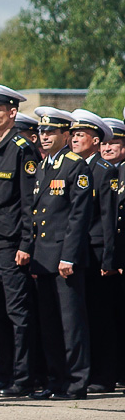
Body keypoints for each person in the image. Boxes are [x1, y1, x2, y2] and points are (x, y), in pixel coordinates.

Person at [26, 107, 93, 400]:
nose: (44, 137)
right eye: (42, 132)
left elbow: (78, 216)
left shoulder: (75, 166)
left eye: (51, 132)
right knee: (50, 324)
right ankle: (55, 380)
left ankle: (76, 382)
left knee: (71, 323)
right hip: (43, 256)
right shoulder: (43, 167)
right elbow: (36, 215)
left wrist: (69, 256)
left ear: (66, 135)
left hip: (64, 257)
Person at [0, 84, 39, 397]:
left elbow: (28, 202)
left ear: (12, 113)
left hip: (11, 244)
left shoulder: (21, 148)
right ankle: (2, 374)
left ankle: (23, 377)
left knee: (17, 315)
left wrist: (26, 244)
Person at [69, 109, 117, 392]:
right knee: (82, 314)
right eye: (73, 134)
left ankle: (104, 375)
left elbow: (108, 218)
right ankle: (85, 373)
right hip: (80, 250)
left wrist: (109, 258)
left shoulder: (103, 171)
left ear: (96, 140)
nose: (75, 139)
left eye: (81, 135)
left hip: (98, 251)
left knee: (101, 315)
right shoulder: (74, 167)